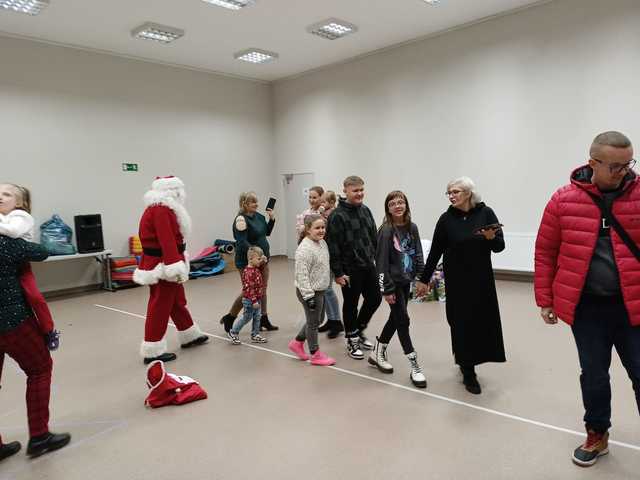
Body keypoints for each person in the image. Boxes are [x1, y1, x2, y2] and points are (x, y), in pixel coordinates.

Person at [534, 131, 640, 467]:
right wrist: (545, 299)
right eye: (615, 166)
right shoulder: (562, 200)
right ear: (592, 162)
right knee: (594, 374)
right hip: (587, 308)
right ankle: (597, 434)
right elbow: (546, 252)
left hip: (633, 305)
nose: (624, 172)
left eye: (628, 164)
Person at [416, 176, 506, 394]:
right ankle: (468, 370)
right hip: (457, 281)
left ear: (468, 193)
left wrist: (491, 238)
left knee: (481, 322)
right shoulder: (446, 220)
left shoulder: (486, 213)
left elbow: (500, 246)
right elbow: (435, 251)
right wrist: (424, 279)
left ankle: (474, 360)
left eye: (455, 192)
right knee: (460, 323)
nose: (451, 196)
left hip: (481, 280)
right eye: (449, 192)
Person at [0, 233, 70, 460]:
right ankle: (40, 436)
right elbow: (42, 251)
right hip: (12, 321)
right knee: (40, 369)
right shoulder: (6, 241)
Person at [133, 176, 208, 364]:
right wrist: (174, 265)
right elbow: (166, 240)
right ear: (171, 191)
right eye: (178, 190)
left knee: (176, 301)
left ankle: (189, 334)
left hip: (164, 262)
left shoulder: (162, 208)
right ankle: (152, 349)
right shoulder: (161, 210)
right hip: (163, 264)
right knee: (160, 305)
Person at [372, 191, 426, 388]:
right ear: (388, 208)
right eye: (393, 203)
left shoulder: (412, 227)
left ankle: (378, 350)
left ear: (406, 205)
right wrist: (386, 289)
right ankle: (414, 365)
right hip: (392, 284)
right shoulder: (386, 230)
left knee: (396, 318)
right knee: (403, 320)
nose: (397, 205)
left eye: (400, 202)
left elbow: (418, 253)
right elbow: (380, 263)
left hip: (406, 282)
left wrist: (422, 278)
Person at [326, 176, 381, 359]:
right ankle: (351, 339)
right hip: (349, 269)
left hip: (368, 265)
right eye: (355, 190)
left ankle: (358, 329)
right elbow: (332, 246)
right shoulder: (337, 215)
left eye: (361, 190)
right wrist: (338, 272)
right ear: (345, 191)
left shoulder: (366, 210)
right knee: (351, 304)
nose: (359, 194)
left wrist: (377, 260)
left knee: (375, 298)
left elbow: (374, 236)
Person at [220, 192, 278, 332]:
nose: (256, 204)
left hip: (263, 259)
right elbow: (241, 241)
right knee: (249, 291)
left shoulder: (259, 216)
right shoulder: (241, 219)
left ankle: (264, 319)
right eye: (253, 202)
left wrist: (272, 219)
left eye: (256, 201)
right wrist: (256, 254)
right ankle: (231, 316)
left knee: (262, 289)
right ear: (244, 204)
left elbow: (266, 233)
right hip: (248, 261)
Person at [288, 214, 336, 366]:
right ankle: (315, 354)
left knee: (317, 320)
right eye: (317, 228)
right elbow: (301, 275)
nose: (321, 230)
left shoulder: (322, 243)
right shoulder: (304, 249)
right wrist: (309, 297)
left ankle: (297, 342)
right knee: (314, 323)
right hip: (309, 292)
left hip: (320, 290)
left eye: (323, 227)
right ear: (308, 230)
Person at [227, 246, 268, 345]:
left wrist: (263, 261)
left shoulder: (254, 267)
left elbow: (259, 265)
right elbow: (250, 288)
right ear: (250, 259)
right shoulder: (248, 272)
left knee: (257, 317)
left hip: (256, 299)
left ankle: (255, 334)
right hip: (250, 300)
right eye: (258, 259)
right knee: (247, 317)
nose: (259, 261)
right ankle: (233, 332)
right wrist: (254, 301)